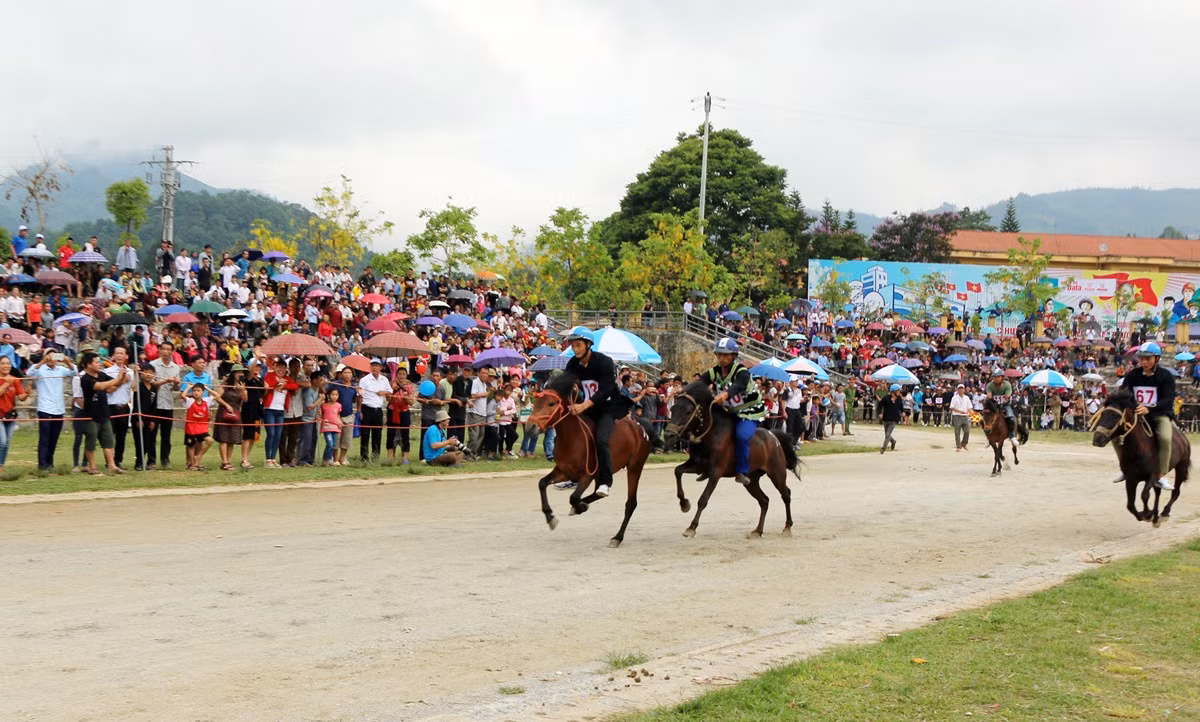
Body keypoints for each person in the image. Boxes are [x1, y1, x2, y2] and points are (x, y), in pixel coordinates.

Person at [563, 326, 624, 497]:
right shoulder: (573, 363)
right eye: (573, 346)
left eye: (578, 345)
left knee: (601, 440)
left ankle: (605, 482)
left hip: (607, 407)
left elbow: (606, 389)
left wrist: (583, 405)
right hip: (588, 407)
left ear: (588, 344)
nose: (575, 349)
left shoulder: (604, 361)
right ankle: (572, 475)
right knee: (572, 434)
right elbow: (566, 383)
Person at [1115, 342, 1178, 490]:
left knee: (1165, 438)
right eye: (1141, 358)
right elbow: (1124, 394)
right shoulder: (1132, 375)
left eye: (1148, 359)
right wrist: (1134, 408)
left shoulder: (1166, 376)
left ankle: (1160, 476)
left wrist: (1149, 408)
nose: (1144, 362)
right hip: (1137, 414)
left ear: (1157, 359)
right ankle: (1125, 469)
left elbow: (1168, 399)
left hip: (1159, 414)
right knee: (1117, 436)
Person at [704, 338, 765, 485]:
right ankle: (707, 465)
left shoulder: (741, 371)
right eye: (719, 355)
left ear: (733, 356)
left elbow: (739, 386)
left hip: (749, 411)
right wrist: (685, 391)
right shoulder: (714, 372)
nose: (722, 358)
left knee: (742, 436)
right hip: (730, 411)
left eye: (726, 355)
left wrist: (725, 394)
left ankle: (742, 471)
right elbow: (700, 383)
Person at [79, 351, 128, 475]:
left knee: (108, 441)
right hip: (91, 415)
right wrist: (116, 380)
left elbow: (113, 386)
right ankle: (92, 466)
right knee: (91, 441)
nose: (99, 364)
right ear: (88, 364)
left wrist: (122, 377)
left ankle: (112, 465)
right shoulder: (85, 378)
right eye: (96, 362)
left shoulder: (101, 374)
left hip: (104, 414)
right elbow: (100, 386)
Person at [28, 351, 75, 471]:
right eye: (50, 356)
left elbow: (75, 372)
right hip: (45, 408)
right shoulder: (40, 369)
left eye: (54, 356)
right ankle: (42, 464)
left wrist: (67, 361)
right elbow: (29, 372)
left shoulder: (60, 369)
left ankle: (50, 462)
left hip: (59, 409)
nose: (52, 359)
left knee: (54, 438)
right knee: (44, 438)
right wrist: (43, 361)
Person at [104, 347, 136, 471]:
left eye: (121, 353)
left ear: (126, 356)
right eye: (117, 353)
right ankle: (109, 462)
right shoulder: (107, 372)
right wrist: (121, 380)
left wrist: (136, 374)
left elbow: (134, 388)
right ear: (113, 355)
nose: (119, 356)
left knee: (121, 437)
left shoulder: (131, 372)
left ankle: (118, 461)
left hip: (124, 407)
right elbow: (109, 389)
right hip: (111, 406)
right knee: (109, 436)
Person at [262, 358, 297, 468]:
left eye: (283, 368)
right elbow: (268, 384)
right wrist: (277, 382)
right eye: (279, 367)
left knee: (278, 435)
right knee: (271, 434)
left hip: (280, 410)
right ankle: (268, 459)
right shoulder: (270, 375)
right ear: (275, 367)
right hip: (269, 409)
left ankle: (273, 458)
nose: (281, 370)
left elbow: (295, 386)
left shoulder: (287, 379)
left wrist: (284, 385)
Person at [213, 364, 248, 470]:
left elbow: (245, 399)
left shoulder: (242, 384)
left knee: (232, 438)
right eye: (238, 372)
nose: (240, 374)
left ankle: (229, 460)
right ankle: (224, 462)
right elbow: (217, 397)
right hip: (224, 412)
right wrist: (227, 405)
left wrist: (242, 390)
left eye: (242, 372)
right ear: (233, 373)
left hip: (235, 413)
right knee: (223, 438)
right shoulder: (226, 384)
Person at [358, 357, 392, 462]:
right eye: (373, 365)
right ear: (370, 367)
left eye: (376, 365)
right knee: (365, 434)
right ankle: (364, 457)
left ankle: (375, 456)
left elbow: (390, 392)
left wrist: (384, 392)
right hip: (366, 408)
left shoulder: (384, 379)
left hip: (378, 410)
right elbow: (360, 396)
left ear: (380, 367)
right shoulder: (364, 380)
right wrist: (359, 411)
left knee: (377, 434)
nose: (374, 368)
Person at [0, 357, 29, 474]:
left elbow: (21, 397)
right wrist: (7, 383)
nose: (6, 366)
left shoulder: (15, 380)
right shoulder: (7, 380)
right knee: (2, 441)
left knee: (7, 443)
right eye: (3, 364)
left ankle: (1, 465)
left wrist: (27, 393)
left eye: (8, 364)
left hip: (10, 415)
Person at [328, 365, 358, 466]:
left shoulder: (354, 387)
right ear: (341, 374)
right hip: (336, 415)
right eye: (345, 372)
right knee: (337, 438)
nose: (347, 375)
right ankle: (335, 459)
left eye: (349, 373)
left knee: (347, 439)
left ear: (352, 375)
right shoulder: (336, 384)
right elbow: (329, 394)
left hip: (349, 415)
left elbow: (354, 399)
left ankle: (342, 458)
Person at [184, 383, 213, 470]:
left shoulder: (206, 401)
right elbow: (182, 395)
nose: (196, 392)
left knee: (209, 441)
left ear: (203, 392)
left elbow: (218, 396)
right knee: (191, 446)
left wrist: (208, 388)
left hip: (202, 428)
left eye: (198, 390)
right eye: (194, 391)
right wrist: (188, 388)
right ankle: (193, 465)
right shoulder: (190, 401)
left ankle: (198, 458)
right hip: (191, 428)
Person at [386, 373, 413, 463]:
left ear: (406, 376)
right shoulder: (391, 384)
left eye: (404, 374)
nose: (402, 376)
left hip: (404, 411)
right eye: (400, 374)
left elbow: (411, 402)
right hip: (392, 411)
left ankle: (405, 457)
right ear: (397, 375)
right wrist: (393, 391)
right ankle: (390, 457)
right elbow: (388, 399)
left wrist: (406, 397)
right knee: (390, 434)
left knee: (405, 434)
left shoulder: (409, 386)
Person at [985, 369, 1017, 441]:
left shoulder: (1007, 385)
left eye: (998, 377)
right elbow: (989, 396)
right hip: (993, 405)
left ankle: (1012, 435)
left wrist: (1006, 396)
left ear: (1002, 377)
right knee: (985, 418)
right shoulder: (990, 385)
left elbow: (1008, 394)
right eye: (995, 377)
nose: (996, 379)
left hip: (1005, 404)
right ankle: (988, 436)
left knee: (1011, 417)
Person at [877, 383, 905, 454]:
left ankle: (883, 448)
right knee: (887, 434)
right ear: (893, 391)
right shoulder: (886, 398)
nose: (899, 392)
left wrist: (902, 412)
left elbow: (901, 407)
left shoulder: (899, 399)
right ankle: (893, 441)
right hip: (886, 418)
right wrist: (880, 413)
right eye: (898, 391)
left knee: (888, 434)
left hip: (894, 419)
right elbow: (879, 406)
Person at [320, 388, 343, 466]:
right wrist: (322, 420)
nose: (334, 396)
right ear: (329, 395)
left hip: (335, 427)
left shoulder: (339, 405)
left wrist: (340, 422)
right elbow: (320, 415)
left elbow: (338, 416)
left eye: (336, 395)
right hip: (327, 427)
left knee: (333, 445)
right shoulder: (323, 405)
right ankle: (326, 459)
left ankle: (329, 459)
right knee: (329, 443)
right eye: (333, 394)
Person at [949, 383, 973, 451]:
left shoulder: (967, 398)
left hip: (965, 416)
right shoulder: (954, 398)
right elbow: (952, 407)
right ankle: (958, 446)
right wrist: (959, 411)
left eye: (962, 388)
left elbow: (969, 407)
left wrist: (972, 413)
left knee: (967, 431)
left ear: (964, 389)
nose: (961, 390)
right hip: (957, 416)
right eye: (959, 388)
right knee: (957, 432)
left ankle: (964, 443)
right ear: (957, 389)